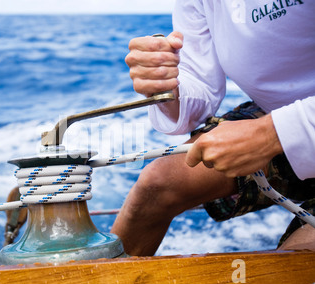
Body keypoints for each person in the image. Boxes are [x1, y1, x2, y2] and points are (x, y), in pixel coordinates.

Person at [111, 0, 315, 256]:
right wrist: (167, 86)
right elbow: (199, 85)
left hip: (285, 125)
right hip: (279, 117)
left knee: (288, 267)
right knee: (159, 183)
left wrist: (271, 134)